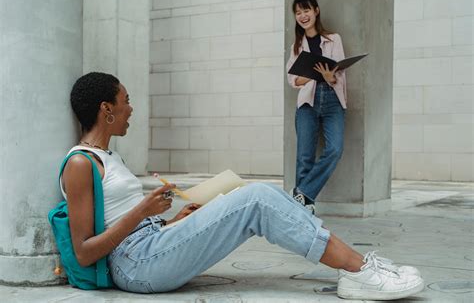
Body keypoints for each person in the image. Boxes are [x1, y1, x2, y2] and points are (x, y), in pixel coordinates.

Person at [60, 72, 424, 300]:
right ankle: (358, 271)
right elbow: (85, 252)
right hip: (135, 265)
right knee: (258, 199)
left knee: (249, 198)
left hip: (150, 245)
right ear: (106, 109)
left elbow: (123, 222)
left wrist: (173, 221)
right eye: (126, 102)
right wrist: (145, 209)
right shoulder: (80, 163)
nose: (131, 109)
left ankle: (359, 266)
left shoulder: (109, 157)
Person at [286, 0, 347, 212]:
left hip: (332, 101)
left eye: (306, 10)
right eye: (298, 12)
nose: (303, 16)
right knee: (305, 156)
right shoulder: (297, 46)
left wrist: (329, 77)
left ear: (316, 11)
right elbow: (292, 79)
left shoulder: (333, 39)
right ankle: (305, 206)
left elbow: (338, 73)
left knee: (335, 149)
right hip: (307, 104)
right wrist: (313, 74)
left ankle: (302, 192)